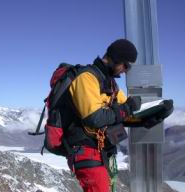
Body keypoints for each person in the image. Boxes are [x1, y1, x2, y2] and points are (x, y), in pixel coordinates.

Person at [60, 39, 141, 192]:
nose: (126, 70)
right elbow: (94, 118)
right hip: (85, 151)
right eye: (126, 65)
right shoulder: (87, 78)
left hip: (102, 151)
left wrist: (149, 117)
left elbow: (124, 112)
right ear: (116, 58)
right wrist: (126, 109)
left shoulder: (110, 84)